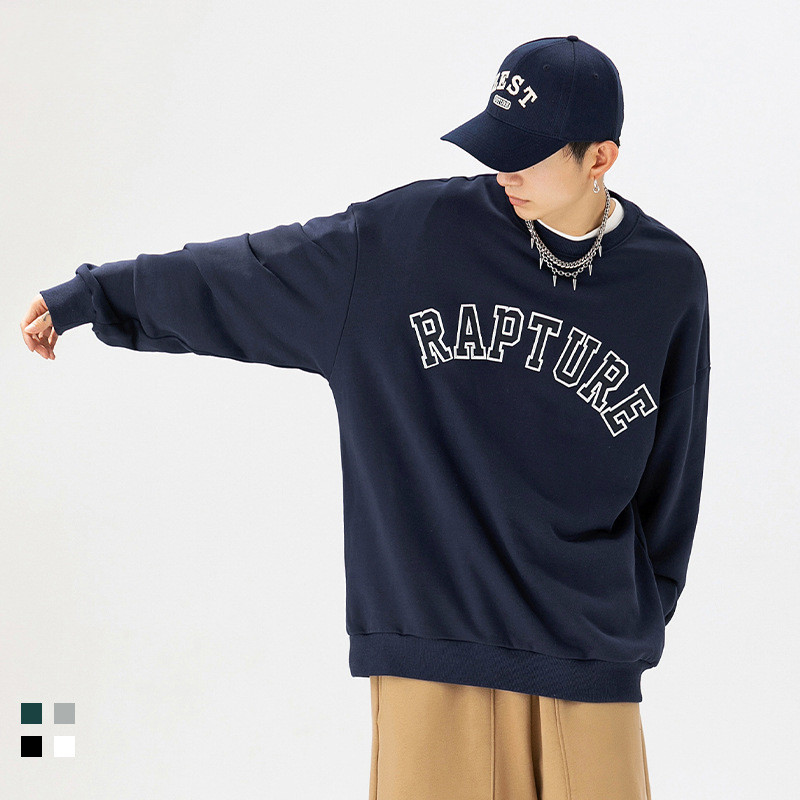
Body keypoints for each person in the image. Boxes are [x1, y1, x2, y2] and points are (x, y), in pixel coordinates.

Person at [21, 35, 709, 800]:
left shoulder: (667, 280)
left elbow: (673, 477)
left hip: (591, 664)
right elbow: (248, 276)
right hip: (434, 649)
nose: (503, 170)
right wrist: (92, 297)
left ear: (600, 158)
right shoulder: (409, 241)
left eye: (528, 153)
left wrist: (633, 617)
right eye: (496, 145)